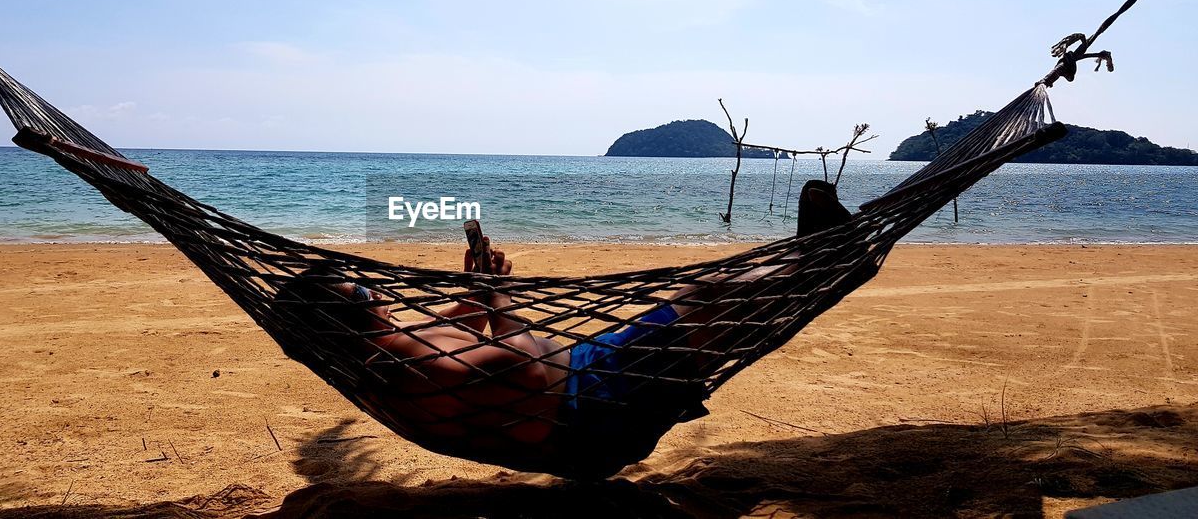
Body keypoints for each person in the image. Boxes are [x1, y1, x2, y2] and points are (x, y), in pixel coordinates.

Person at [275, 180, 853, 478]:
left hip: (592, 374)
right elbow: (515, 366)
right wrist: (501, 301)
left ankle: (813, 259)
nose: (379, 291)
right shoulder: (403, 366)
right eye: (363, 289)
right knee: (706, 300)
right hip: (597, 407)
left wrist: (477, 289)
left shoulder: (391, 346)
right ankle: (826, 257)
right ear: (343, 315)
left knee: (720, 313)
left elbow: (465, 328)